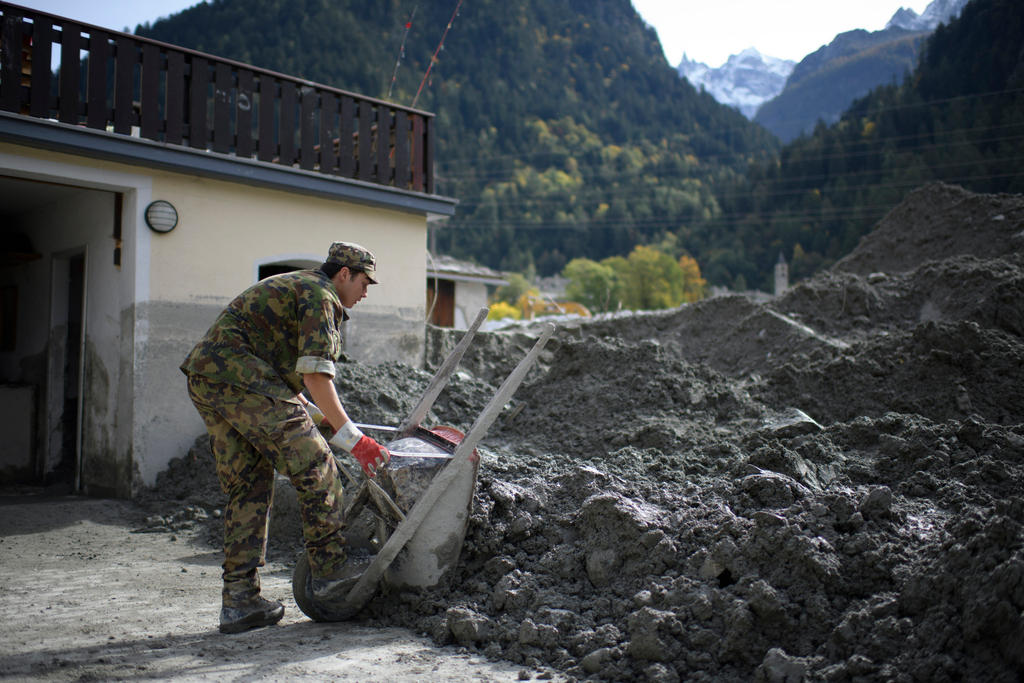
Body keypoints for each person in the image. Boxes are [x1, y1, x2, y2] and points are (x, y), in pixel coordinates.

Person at [180, 241, 391, 634]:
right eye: (365, 282)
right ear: (344, 274)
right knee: (317, 464)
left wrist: (317, 415)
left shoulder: (299, 286)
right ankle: (330, 571)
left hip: (210, 377)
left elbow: (282, 377)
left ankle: (240, 602)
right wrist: (355, 441)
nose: (365, 293)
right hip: (241, 378)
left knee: (250, 485)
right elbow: (315, 376)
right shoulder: (320, 296)